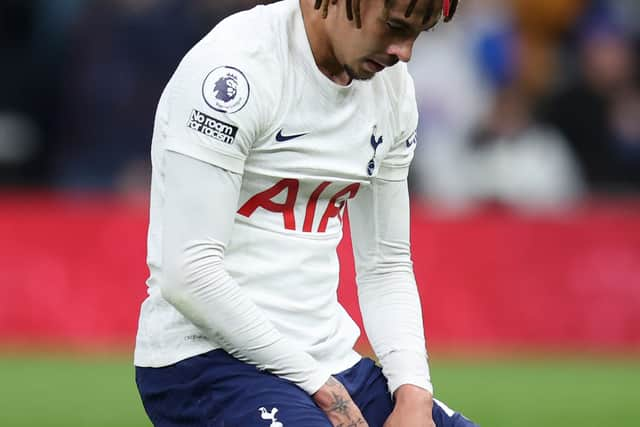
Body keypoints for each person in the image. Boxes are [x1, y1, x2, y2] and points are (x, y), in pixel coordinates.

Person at [134, 0, 479, 426]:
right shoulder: (233, 70)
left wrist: (413, 394)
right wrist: (314, 380)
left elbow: (386, 265)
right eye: (393, 26)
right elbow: (188, 273)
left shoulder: (393, 89)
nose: (404, 52)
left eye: (417, 35)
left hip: (330, 361)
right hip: (204, 363)